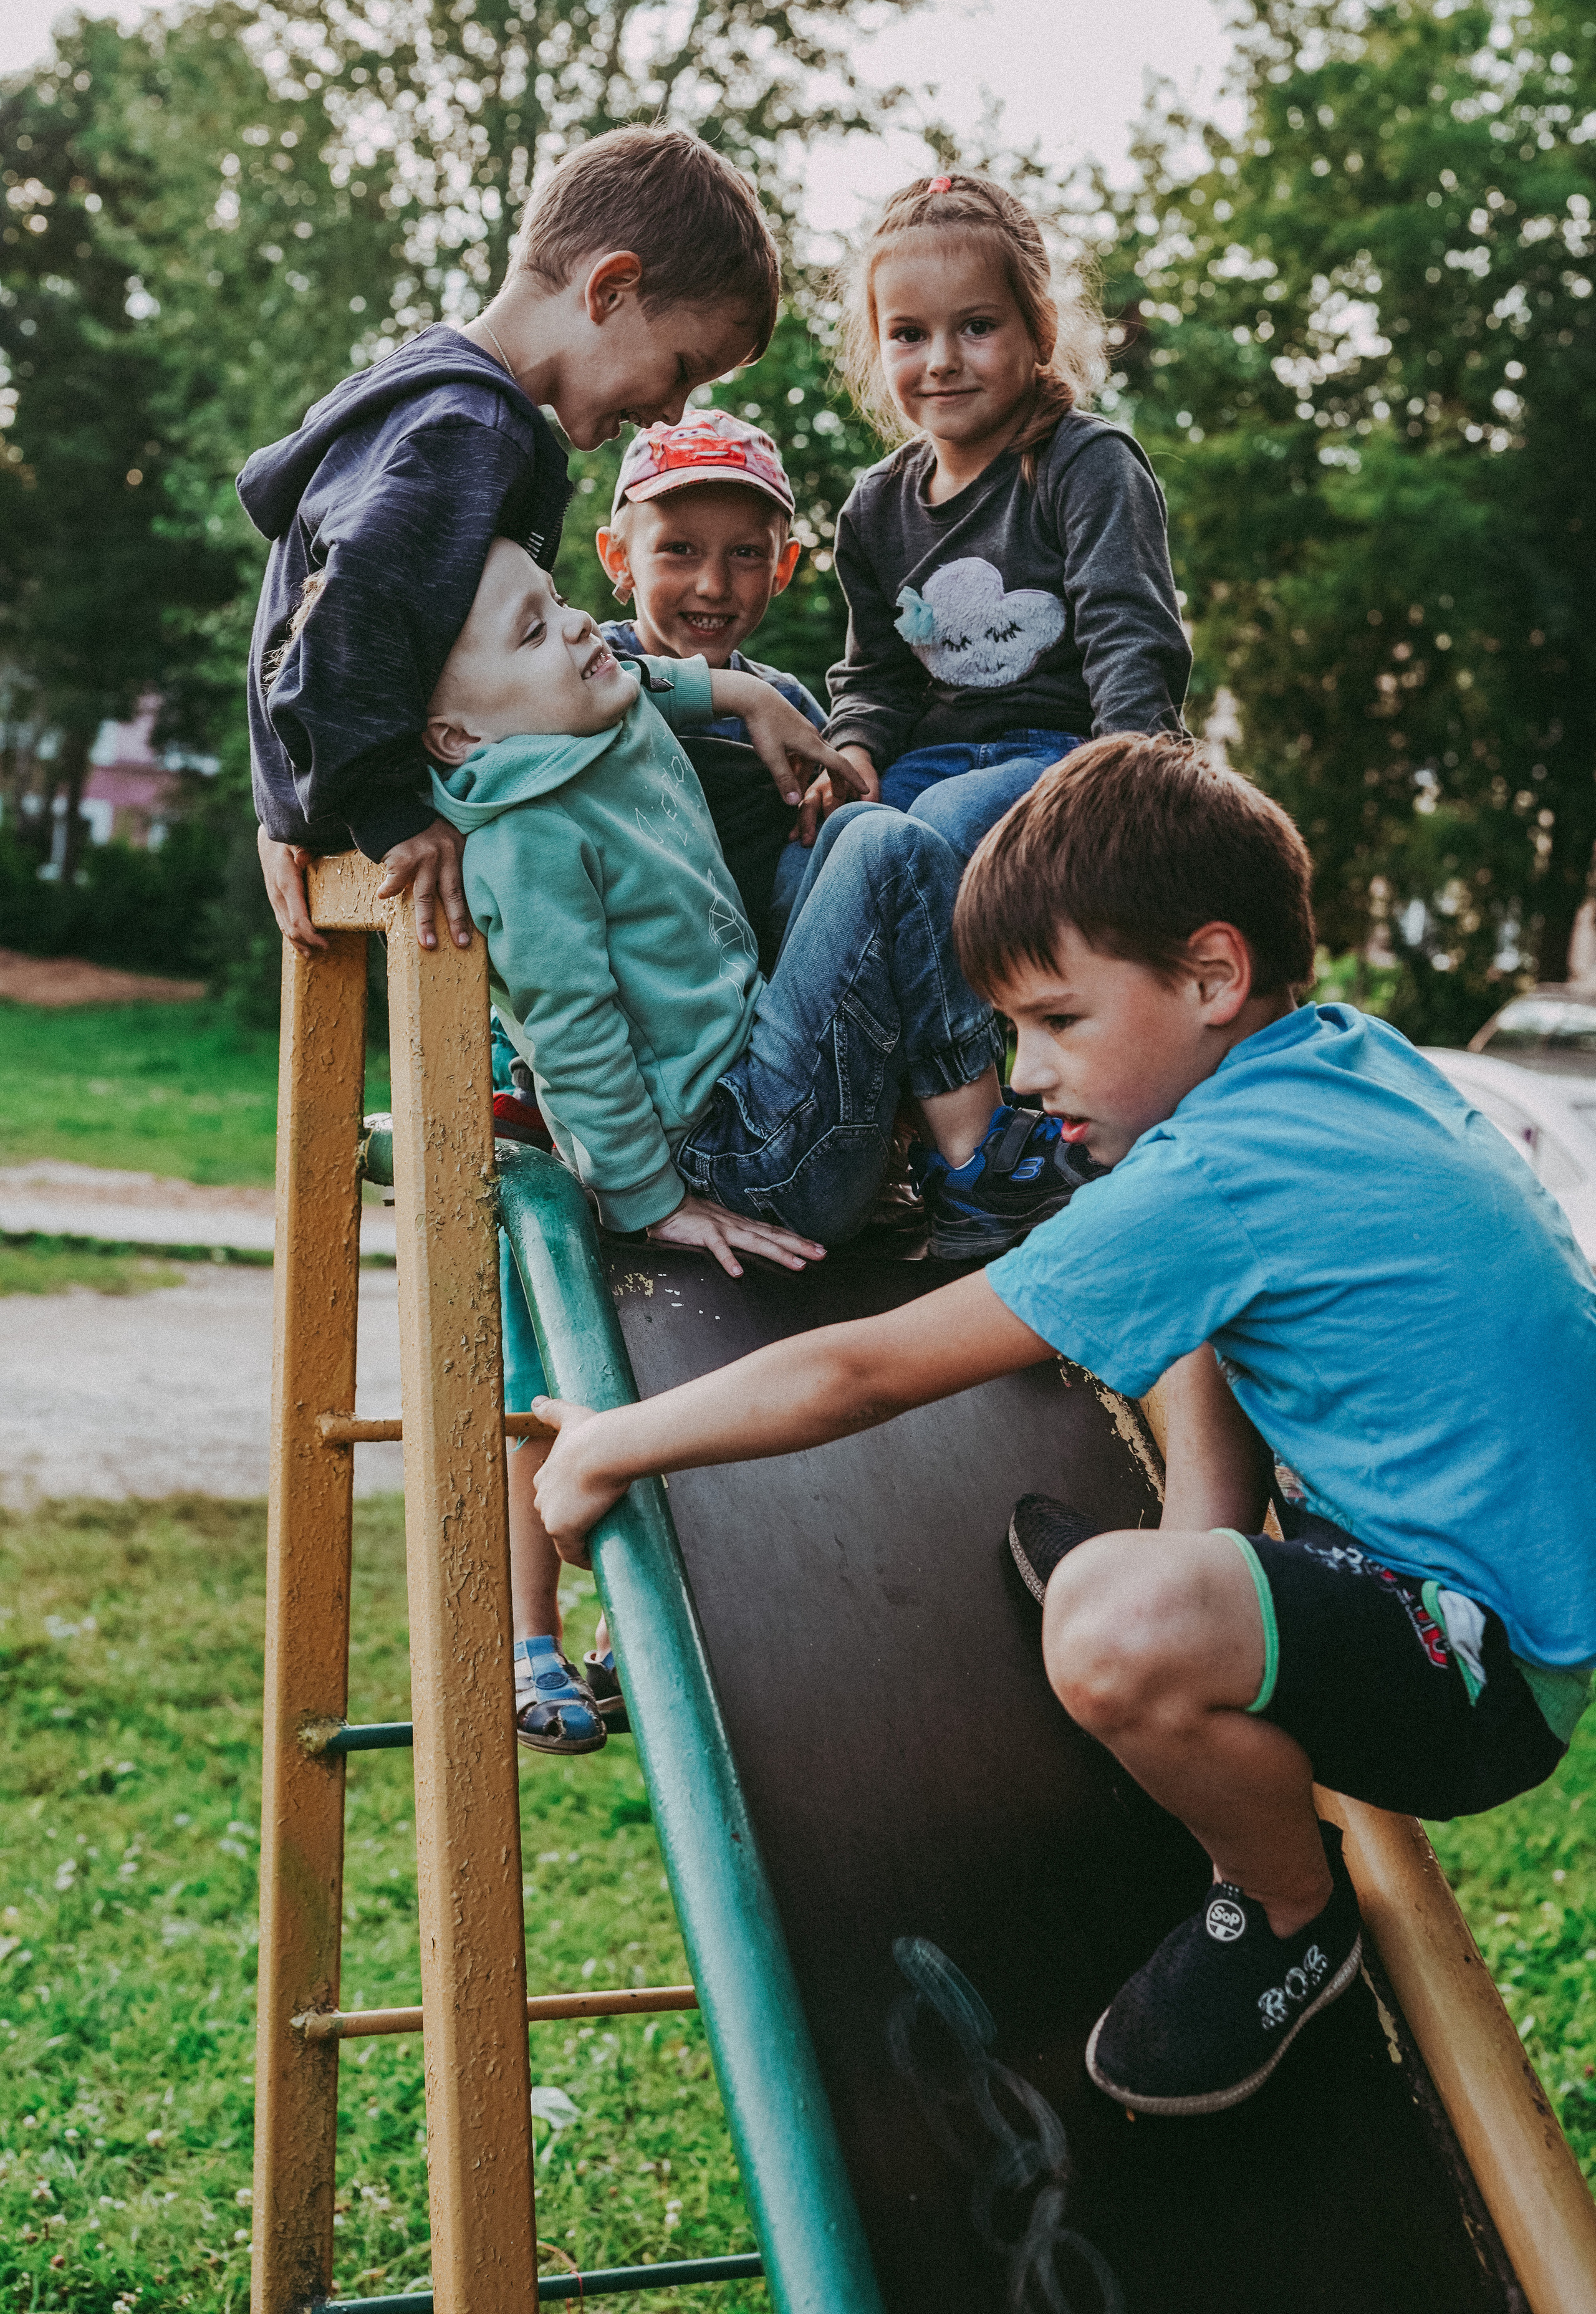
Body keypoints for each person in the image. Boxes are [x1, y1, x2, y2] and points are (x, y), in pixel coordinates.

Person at [529, 732, 1596, 2117]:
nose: (1022, 1073)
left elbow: (868, 1372)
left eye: (1056, 1021)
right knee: (1173, 1305)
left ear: (1209, 976)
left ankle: (1282, 1917)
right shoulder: (1335, 1066)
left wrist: (616, 1437)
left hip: (1479, 1679)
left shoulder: (1216, 1175)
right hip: (1446, 1577)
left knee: (1106, 1624)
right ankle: (1199, 1554)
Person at [425, 541, 1094, 1753]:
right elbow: (567, 1027)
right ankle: (973, 1167)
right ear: (463, 741)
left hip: (757, 1098)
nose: (578, 632)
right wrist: (646, 1198)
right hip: (746, 1156)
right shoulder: (522, 832)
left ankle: (965, 1151)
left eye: (555, 606)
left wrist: (744, 695)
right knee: (885, 849)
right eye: (533, 636)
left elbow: (646, 670)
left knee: (858, 842)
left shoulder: (595, 706)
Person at [238, 125, 828, 958]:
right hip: (396, 809)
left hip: (344, 791)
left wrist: (284, 793)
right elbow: (346, 616)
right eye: (682, 368)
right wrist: (384, 810)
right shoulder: (472, 430)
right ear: (611, 289)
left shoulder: (419, 393)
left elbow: (302, 608)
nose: (671, 412)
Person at [809, 171, 1191, 871]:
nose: (942, 361)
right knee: (826, 845)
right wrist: (852, 755)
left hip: (1069, 758)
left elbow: (1130, 640)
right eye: (908, 334)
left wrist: (1129, 789)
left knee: (939, 824)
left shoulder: (1085, 464)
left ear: (1039, 331)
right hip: (931, 763)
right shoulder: (874, 508)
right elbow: (877, 679)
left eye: (977, 326)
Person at [595, 409, 827, 964]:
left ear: (782, 567)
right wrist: (737, 696)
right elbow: (560, 704)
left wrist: (829, 794)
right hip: (609, 978)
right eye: (680, 549)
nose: (714, 586)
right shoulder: (589, 658)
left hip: (758, 985)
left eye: (746, 554)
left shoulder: (788, 704)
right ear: (619, 560)